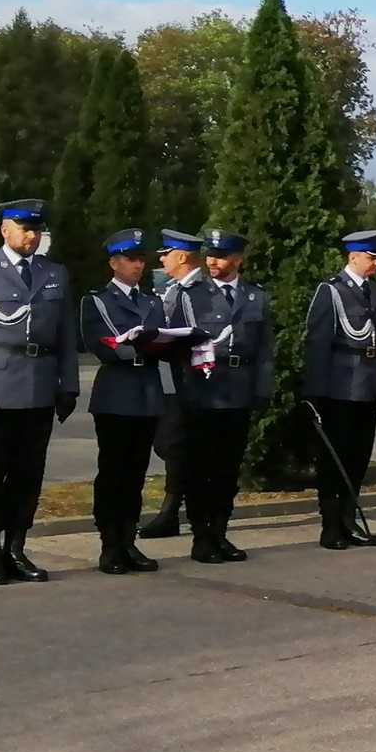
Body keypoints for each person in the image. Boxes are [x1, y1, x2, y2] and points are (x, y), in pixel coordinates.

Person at [0, 200, 77, 586]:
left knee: (29, 474)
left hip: (40, 387)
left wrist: (68, 386)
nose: (32, 236)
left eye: (36, 229)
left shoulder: (53, 273)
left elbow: (64, 337)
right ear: (4, 231)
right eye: (24, 228)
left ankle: (17, 547)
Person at [78, 229, 174, 576]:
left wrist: (159, 344)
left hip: (147, 392)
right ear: (113, 263)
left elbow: (163, 337)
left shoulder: (151, 301)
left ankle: (129, 539)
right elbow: (99, 343)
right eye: (130, 259)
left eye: (140, 259)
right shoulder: (98, 300)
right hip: (116, 393)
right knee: (114, 472)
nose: (137, 265)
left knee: (136, 473)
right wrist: (135, 347)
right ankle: (110, 544)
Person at [179, 228, 275, 564]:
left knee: (227, 469)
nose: (212, 262)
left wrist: (263, 389)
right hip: (203, 389)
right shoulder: (191, 295)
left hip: (239, 389)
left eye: (220, 256)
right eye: (209, 256)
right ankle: (201, 536)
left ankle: (220, 532)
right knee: (201, 467)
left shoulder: (255, 296)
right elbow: (175, 343)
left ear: (238, 260)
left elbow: (264, 348)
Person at [303, 231, 376, 550]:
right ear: (353, 257)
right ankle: (331, 525)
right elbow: (318, 343)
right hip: (339, 388)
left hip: (369, 387)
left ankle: (350, 520)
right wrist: (315, 393)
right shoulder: (332, 291)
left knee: (358, 458)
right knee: (334, 459)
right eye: (371, 257)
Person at [138, 228, 207, 540]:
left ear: (182, 257)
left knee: (176, 445)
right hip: (175, 376)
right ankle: (178, 509)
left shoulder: (198, 290)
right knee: (172, 445)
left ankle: (174, 512)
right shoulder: (175, 289)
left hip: (192, 377)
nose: (162, 259)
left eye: (167, 254)